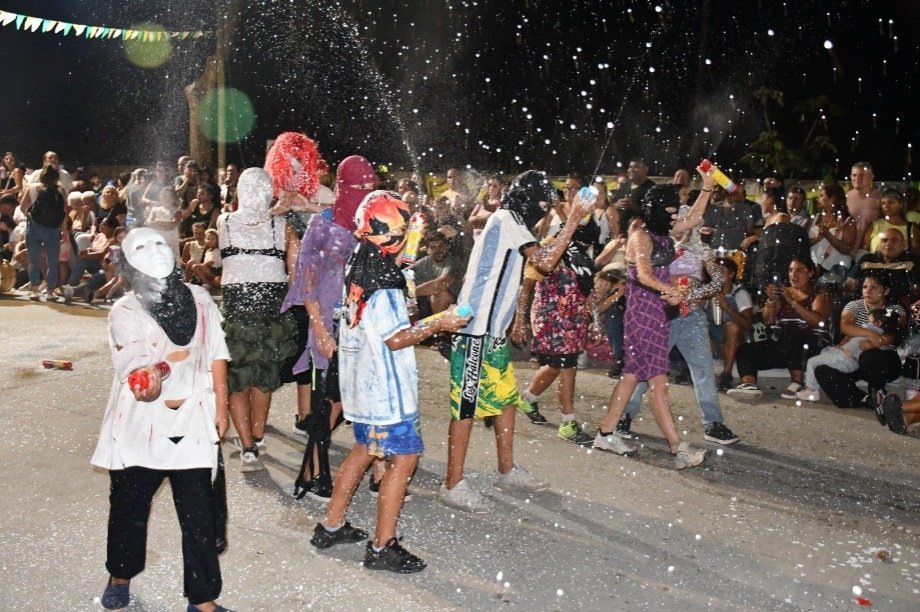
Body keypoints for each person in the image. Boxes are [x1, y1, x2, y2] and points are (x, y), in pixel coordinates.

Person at [311, 191, 470, 573]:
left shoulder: (362, 259)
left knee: (365, 450)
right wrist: (441, 321)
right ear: (394, 234)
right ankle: (382, 546)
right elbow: (396, 337)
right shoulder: (383, 282)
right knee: (404, 458)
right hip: (385, 391)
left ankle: (330, 525)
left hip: (361, 384)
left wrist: (407, 250)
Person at [91, 227, 232, 612]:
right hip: (142, 427)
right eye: (141, 246)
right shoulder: (125, 310)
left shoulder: (200, 298)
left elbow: (217, 353)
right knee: (129, 508)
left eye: (158, 243)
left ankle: (202, 599)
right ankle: (120, 575)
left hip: (194, 420)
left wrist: (221, 408)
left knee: (200, 515)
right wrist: (147, 378)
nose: (153, 250)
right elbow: (134, 363)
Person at [437, 170, 590, 512]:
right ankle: (452, 484)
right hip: (474, 331)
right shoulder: (507, 218)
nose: (542, 210)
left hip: (491, 334)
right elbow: (545, 261)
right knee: (465, 408)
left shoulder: (512, 221)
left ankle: (506, 471)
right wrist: (573, 220)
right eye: (542, 204)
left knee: (506, 401)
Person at [592, 180, 712, 469]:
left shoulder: (662, 232)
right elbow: (644, 275)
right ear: (656, 209)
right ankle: (678, 447)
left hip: (655, 312)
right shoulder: (641, 236)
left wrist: (707, 187)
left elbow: (694, 218)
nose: (675, 215)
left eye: (675, 210)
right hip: (644, 315)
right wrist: (669, 290)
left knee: (632, 376)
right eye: (670, 210)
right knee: (659, 382)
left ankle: (605, 434)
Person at [282, 154, 376, 499]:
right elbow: (306, 281)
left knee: (368, 395)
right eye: (359, 186)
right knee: (330, 401)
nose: (365, 192)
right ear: (343, 186)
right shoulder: (321, 225)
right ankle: (314, 470)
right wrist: (320, 331)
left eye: (371, 185)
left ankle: (379, 469)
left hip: (365, 322)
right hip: (328, 322)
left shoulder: (374, 220)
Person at [618, 209, 740, 445]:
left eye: (689, 222)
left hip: (692, 318)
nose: (685, 226)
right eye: (680, 221)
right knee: (646, 368)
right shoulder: (660, 246)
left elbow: (718, 281)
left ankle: (713, 423)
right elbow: (644, 276)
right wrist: (668, 291)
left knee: (703, 370)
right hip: (663, 316)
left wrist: (692, 294)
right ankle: (625, 415)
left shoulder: (701, 249)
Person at [217, 168, 297, 471]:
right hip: (270, 308)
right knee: (264, 377)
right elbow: (294, 272)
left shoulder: (224, 222)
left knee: (237, 380)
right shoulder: (282, 226)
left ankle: (248, 446)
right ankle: (258, 435)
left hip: (237, 308)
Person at [514, 205, 599, 445]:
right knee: (567, 366)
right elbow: (526, 286)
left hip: (573, 317)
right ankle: (567, 423)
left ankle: (528, 399)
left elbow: (588, 289)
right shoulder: (549, 247)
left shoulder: (581, 252)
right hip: (551, 317)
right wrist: (520, 321)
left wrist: (595, 320)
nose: (585, 246)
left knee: (555, 366)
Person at [727, 258, 833, 400]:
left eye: (799, 271)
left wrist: (792, 301)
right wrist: (771, 300)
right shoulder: (783, 293)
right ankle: (749, 384)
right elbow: (768, 321)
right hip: (785, 346)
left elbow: (818, 321)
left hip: (810, 347)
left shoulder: (820, 293)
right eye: (791, 270)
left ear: (810, 273)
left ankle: (797, 382)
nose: (793, 275)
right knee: (745, 349)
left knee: (792, 331)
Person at [814, 275, 907, 412]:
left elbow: (895, 335)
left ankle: (877, 392)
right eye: (865, 287)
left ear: (886, 290)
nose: (868, 291)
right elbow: (845, 327)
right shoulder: (854, 305)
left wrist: (875, 344)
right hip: (856, 361)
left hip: (885, 360)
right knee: (822, 370)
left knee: (870, 355)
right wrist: (870, 334)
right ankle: (866, 399)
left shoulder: (895, 309)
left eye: (874, 287)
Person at [796, 308, 899, 402]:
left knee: (812, 361)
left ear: (879, 323)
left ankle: (811, 390)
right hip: (851, 362)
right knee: (822, 360)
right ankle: (813, 388)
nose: (866, 322)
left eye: (869, 320)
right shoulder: (875, 333)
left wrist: (862, 330)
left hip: (844, 356)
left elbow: (852, 331)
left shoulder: (871, 330)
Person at [19, 164, 66, 300]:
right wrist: (64, 231)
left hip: (34, 228)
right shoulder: (60, 189)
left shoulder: (32, 188)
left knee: (34, 260)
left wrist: (31, 217)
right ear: (56, 178)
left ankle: (35, 290)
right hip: (53, 229)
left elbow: (22, 207)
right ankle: (50, 291)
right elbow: (64, 212)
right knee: (52, 261)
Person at [844, 228, 920, 307]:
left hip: (899, 307)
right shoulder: (867, 259)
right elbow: (849, 285)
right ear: (879, 244)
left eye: (894, 241)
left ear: (903, 244)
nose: (888, 244)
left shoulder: (912, 261)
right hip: (864, 305)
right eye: (885, 240)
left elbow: (915, 291)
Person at [711, 258, 753, 391]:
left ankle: (726, 374)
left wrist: (728, 308)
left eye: (722, 270)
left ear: (731, 274)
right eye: (715, 271)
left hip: (733, 345)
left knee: (732, 326)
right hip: (714, 344)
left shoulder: (740, 294)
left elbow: (748, 325)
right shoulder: (708, 293)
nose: (717, 274)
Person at [862, 189, 919, 254]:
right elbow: (864, 250)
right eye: (883, 203)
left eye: (891, 202)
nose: (886, 206)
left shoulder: (911, 228)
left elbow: (916, 253)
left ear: (901, 205)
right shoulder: (874, 225)